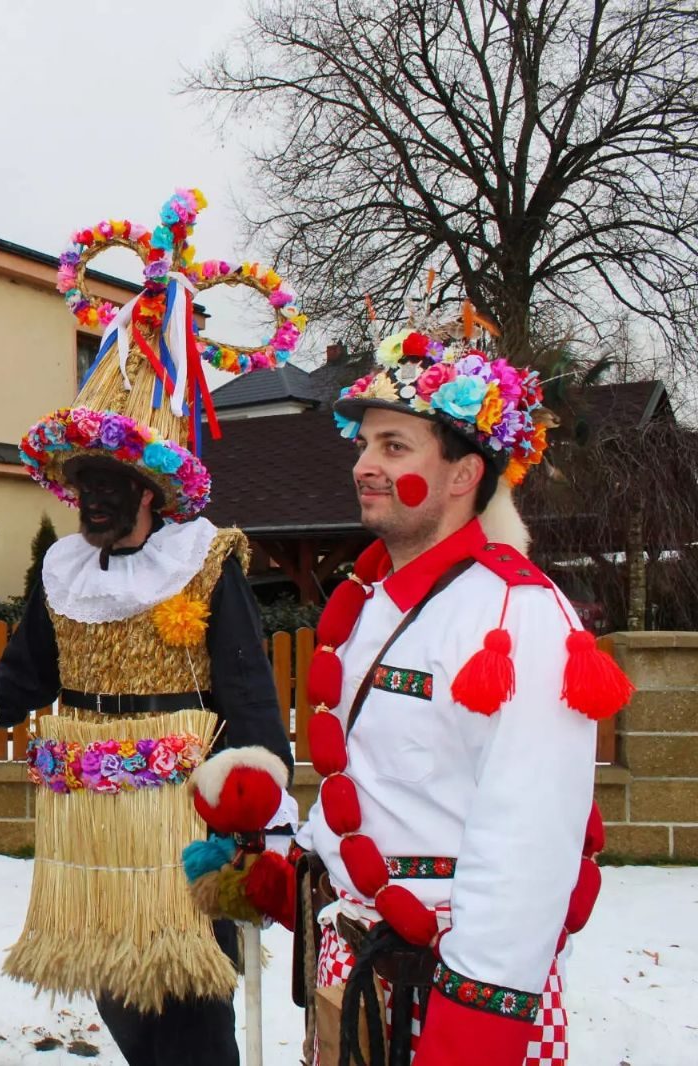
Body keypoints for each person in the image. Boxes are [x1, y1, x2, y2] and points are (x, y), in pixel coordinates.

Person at [0, 226, 294, 1063]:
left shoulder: (202, 562)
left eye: (109, 485)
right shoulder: (64, 571)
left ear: (149, 492)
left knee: (191, 998)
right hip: (86, 818)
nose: (90, 500)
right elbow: (26, 672)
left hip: (179, 805)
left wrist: (256, 809)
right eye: (82, 483)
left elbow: (247, 693)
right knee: (113, 984)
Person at [287, 319, 630, 1065]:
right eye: (364, 445)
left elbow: (529, 842)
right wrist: (293, 864)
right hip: (355, 975)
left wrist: (471, 1032)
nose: (364, 466)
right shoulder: (371, 601)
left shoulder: (520, 616)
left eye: (394, 446)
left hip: (452, 991)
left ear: (464, 475)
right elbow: (375, 782)